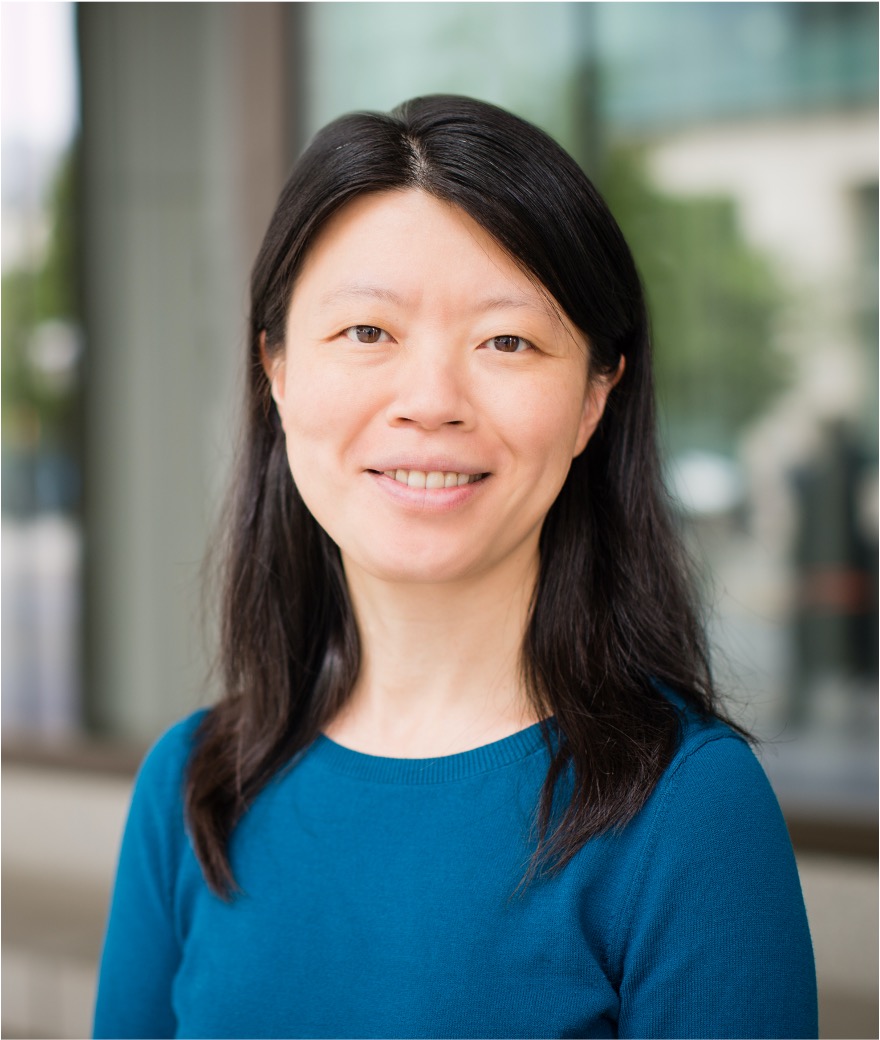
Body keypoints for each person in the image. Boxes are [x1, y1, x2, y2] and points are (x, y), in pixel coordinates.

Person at [93, 95, 817, 1039]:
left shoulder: (685, 813)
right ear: (274, 368)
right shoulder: (195, 787)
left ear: (596, 397)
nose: (431, 401)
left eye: (506, 341)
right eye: (367, 333)